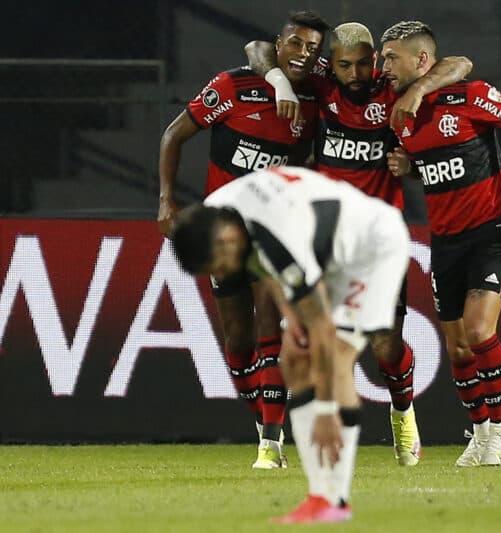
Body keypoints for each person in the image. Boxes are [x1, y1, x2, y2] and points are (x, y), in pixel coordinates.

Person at [245, 22, 472, 466]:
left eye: (364, 63)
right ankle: (290, 440)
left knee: (386, 346)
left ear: (375, 60)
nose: (354, 73)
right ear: (334, 62)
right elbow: (257, 48)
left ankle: (403, 410)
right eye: (344, 64)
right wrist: (280, 86)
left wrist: (418, 92)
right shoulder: (321, 82)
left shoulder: (391, 90)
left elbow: (461, 64)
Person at [171, 165, 410, 523]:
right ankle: (318, 497)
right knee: (293, 358)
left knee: (335, 358)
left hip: (371, 249)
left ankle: (334, 501)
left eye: (216, 266)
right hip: (325, 251)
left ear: (224, 241)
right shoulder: (220, 211)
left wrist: (326, 409)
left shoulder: (275, 235)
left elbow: (321, 325)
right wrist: (290, 314)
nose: (220, 275)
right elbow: (269, 271)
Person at [157, 10, 330, 469]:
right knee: (237, 339)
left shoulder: (319, 93)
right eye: (296, 43)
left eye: (314, 49)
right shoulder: (233, 87)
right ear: (281, 42)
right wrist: (166, 200)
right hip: (223, 234)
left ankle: (270, 445)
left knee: (269, 327)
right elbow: (174, 134)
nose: (304, 54)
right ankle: (262, 423)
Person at [382, 21, 501, 466]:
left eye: (391, 57)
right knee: (456, 346)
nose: (384, 67)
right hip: (445, 239)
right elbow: (442, 166)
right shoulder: (400, 111)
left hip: (492, 229)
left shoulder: (470, 96)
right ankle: (479, 432)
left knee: (478, 331)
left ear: (420, 60)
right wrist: (409, 168)